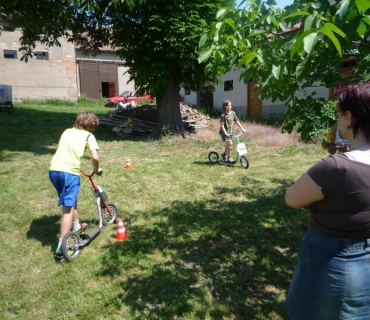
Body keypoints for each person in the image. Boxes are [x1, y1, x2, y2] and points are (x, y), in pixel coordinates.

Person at [284, 82, 370, 320]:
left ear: (349, 117)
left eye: (339, 114)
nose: (338, 121)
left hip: (331, 266)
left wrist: (319, 200)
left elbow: (291, 197)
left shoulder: (336, 168)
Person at [49, 111, 100, 259]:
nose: (94, 129)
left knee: (70, 199)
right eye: (93, 126)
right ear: (89, 125)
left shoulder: (66, 131)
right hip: (69, 173)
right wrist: (96, 170)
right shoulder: (89, 136)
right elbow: (95, 157)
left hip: (54, 171)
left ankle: (76, 226)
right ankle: (61, 247)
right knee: (67, 208)